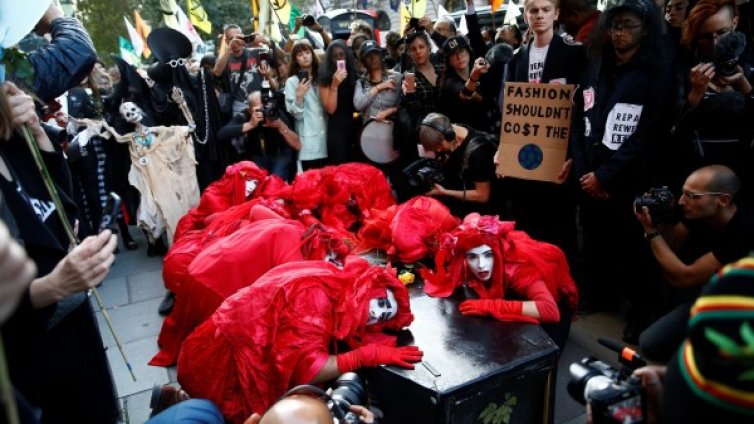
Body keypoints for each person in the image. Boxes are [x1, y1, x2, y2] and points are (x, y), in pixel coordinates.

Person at [1, 81, 120, 423]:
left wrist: (38, 133)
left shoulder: (11, 138)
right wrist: (51, 286)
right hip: (29, 352)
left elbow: (60, 205)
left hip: (73, 320)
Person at [177, 258, 422, 423]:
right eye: (380, 303)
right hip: (218, 367)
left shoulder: (336, 280)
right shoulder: (315, 299)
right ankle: (179, 403)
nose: (378, 314)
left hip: (218, 346)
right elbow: (308, 370)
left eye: (384, 315)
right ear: (370, 288)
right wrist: (366, 355)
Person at [570, 0, 676, 343]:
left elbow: (648, 132)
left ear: (644, 28)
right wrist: (588, 172)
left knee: (635, 252)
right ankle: (598, 295)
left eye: (627, 26)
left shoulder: (656, 71)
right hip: (591, 175)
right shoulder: (597, 64)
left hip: (631, 178)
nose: (619, 33)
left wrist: (606, 175)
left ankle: (640, 313)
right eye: (615, 26)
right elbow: (579, 119)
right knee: (597, 244)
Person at [636, 165, 754, 361]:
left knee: (653, 344)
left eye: (692, 196)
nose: (682, 201)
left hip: (740, 308)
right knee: (650, 342)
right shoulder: (701, 213)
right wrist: (662, 218)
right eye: (683, 193)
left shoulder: (744, 232)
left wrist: (650, 231)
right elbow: (671, 248)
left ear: (723, 200)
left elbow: (683, 277)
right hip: (710, 293)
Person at [500, 0, 586, 266]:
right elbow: (511, 112)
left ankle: (565, 285)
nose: (539, 15)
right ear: (526, 15)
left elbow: (582, 112)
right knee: (530, 224)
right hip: (526, 159)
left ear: (556, 14)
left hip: (560, 157)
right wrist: (505, 150)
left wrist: (573, 155)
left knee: (561, 226)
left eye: (545, 10)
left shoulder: (574, 55)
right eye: (533, 10)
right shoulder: (516, 59)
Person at [422, 213, 578, 349]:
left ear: (496, 251)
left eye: (488, 255)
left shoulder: (518, 267)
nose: (481, 265)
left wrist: (491, 306)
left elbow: (550, 311)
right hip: (516, 298)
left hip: (552, 311)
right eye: (472, 257)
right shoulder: (466, 260)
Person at [418, 112, 497, 218]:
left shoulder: (478, 153)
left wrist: (445, 192)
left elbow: (482, 195)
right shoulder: (454, 129)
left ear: (449, 136)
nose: (438, 150)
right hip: (462, 198)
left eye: (439, 146)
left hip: (481, 212)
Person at [217, 91, 300, 180]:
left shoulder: (275, 113)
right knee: (259, 185)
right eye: (259, 110)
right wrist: (250, 124)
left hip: (279, 153)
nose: (264, 112)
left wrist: (280, 126)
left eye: (266, 107)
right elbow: (222, 134)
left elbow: (297, 144)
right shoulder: (246, 115)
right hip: (257, 155)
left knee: (275, 186)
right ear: (249, 110)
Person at [214, 25, 277, 116]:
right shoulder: (224, 59)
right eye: (231, 39)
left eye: (238, 37)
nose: (236, 41)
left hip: (259, 102)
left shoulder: (256, 53)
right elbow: (216, 72)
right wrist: (229, 48)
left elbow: (282, 56)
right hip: (239, 105)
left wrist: (267, 41)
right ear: (227, 41)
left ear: (243, 37)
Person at [284, 41, 328, 170]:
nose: (305, 56)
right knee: (312, 184)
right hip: (309, 142)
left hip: (327, 136)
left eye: (308, 52)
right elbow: (296, 115)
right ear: (295, 59)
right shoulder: (292, 82)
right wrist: (299, 96)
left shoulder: (322, 76)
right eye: (300, 54)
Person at [319, 40, 360, 164]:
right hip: (337, 127)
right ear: (330, 59)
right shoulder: (325, 79)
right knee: (339, 165)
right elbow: (330, 109)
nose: (338, 59)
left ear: (347, 56)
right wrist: (335, 85)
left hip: (356, 125)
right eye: (334, 56)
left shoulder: (355, 74)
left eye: (341, 55)